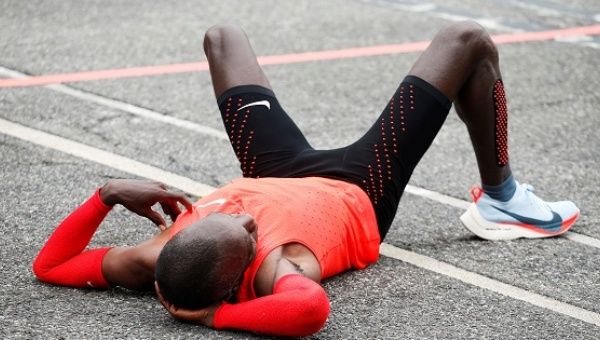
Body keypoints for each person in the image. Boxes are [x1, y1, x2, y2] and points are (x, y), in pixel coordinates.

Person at [32, 22, 580, 337]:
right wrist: (216, 317)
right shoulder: (277, 273)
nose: (243, 217)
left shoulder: (154, 260)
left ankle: (504, 195)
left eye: (220, 217)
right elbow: (310, 311)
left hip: (275, 170)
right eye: (245, 234)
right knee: (468, 42)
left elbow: (49, 266)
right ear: (239, 274)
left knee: (222, 38)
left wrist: (106, 195)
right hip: (360, 185)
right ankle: (503, 198)